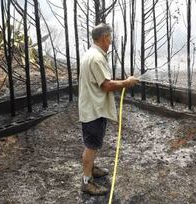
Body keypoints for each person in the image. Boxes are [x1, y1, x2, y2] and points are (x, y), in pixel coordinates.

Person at [78, 23, 138, 196]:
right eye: (110, 37)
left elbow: (102, 82)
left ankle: (92, 168)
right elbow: (106, 85)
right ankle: (87, 181)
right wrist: (127, 83)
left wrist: (124, 82)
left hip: (92, 106)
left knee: (93, 143)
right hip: (93, 109)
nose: (111, 41)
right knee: (91, 145)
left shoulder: (91, 54)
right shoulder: (96, 58)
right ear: (104, 37)